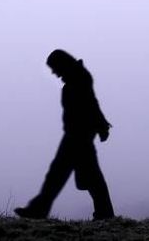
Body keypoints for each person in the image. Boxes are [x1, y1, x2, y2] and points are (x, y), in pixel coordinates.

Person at [15, 49, 115, 221]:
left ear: (62, 64)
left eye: (54, 68)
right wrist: (101, 126)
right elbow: (92, 103)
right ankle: (104, 214)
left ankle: (39, 210)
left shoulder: (79, 79)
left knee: (61, 175)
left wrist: (102, 126)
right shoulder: (76, 78)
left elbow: (91, 104)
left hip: (78, 136)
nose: (53, 72)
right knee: (87, 177)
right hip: (76, 134)